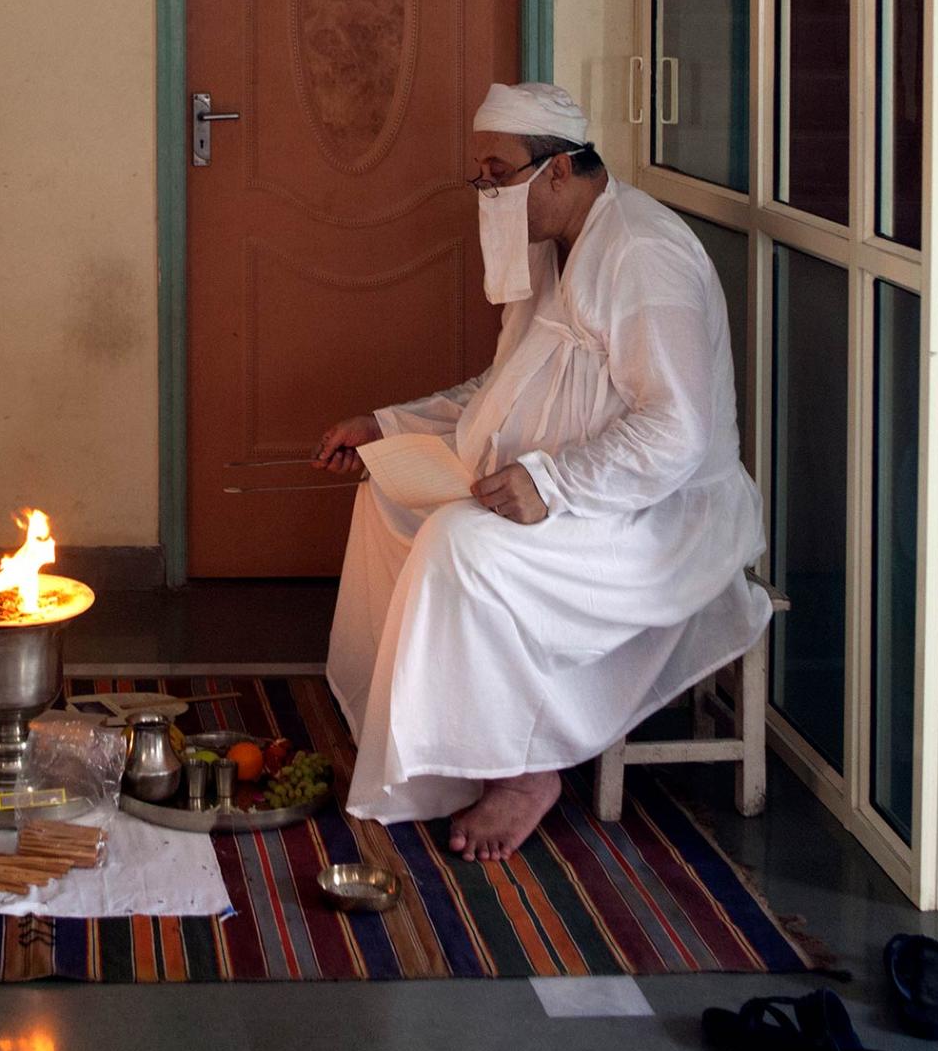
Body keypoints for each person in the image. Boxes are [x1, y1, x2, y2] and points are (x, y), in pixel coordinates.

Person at [318, 83, 769, 862]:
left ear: (559, 171)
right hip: (576, 490)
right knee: (388, 491)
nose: (485, 191)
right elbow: (501, 389)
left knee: (461, 545)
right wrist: (388, 426)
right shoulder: (554, 248)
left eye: (498, 173)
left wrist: (553, 484)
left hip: (657, 517)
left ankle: (526, 772)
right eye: (480, 175)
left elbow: (678, 431)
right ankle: (421, 735)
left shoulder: (642, 254)